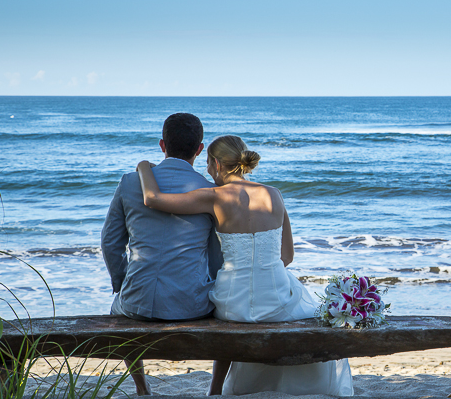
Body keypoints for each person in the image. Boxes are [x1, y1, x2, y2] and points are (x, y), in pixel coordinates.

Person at [135, 135, 353, 397]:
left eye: (207, 164)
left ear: (216, 163)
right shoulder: (274, 195)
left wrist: (143, 167)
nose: (206, 169)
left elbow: (152, 199)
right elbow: (287, 256)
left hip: (232, 304)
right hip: (276, 301)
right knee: (303, 299)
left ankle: (216, 390)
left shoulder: (213, 197)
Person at [101, 113, 223, 396]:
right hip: (193, 305)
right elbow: (216, 255)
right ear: (199, 149)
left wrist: (122, 285)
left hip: (136, 304)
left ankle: (142, 389)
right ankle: (215, 390)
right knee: (229, 311)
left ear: (162, 144)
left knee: (117, 308)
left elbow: (110, 243)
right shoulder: (211, 191)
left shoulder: (131, 182)